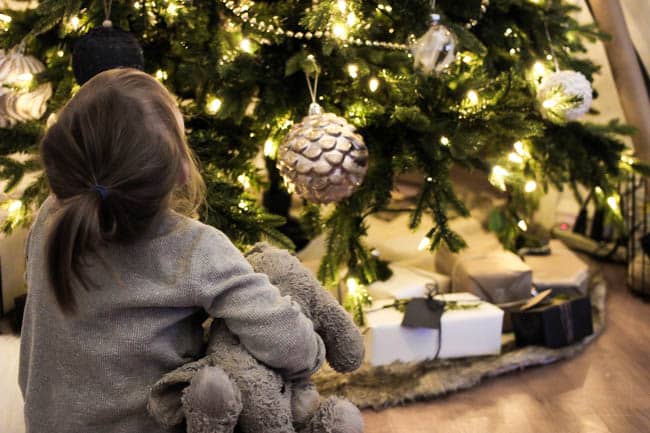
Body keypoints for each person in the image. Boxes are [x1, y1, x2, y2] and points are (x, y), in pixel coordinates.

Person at [18, 68, 324, 433]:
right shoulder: (195, 248)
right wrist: (315, 345)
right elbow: (295, 348)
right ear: (181, 171)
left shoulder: (49, 218)